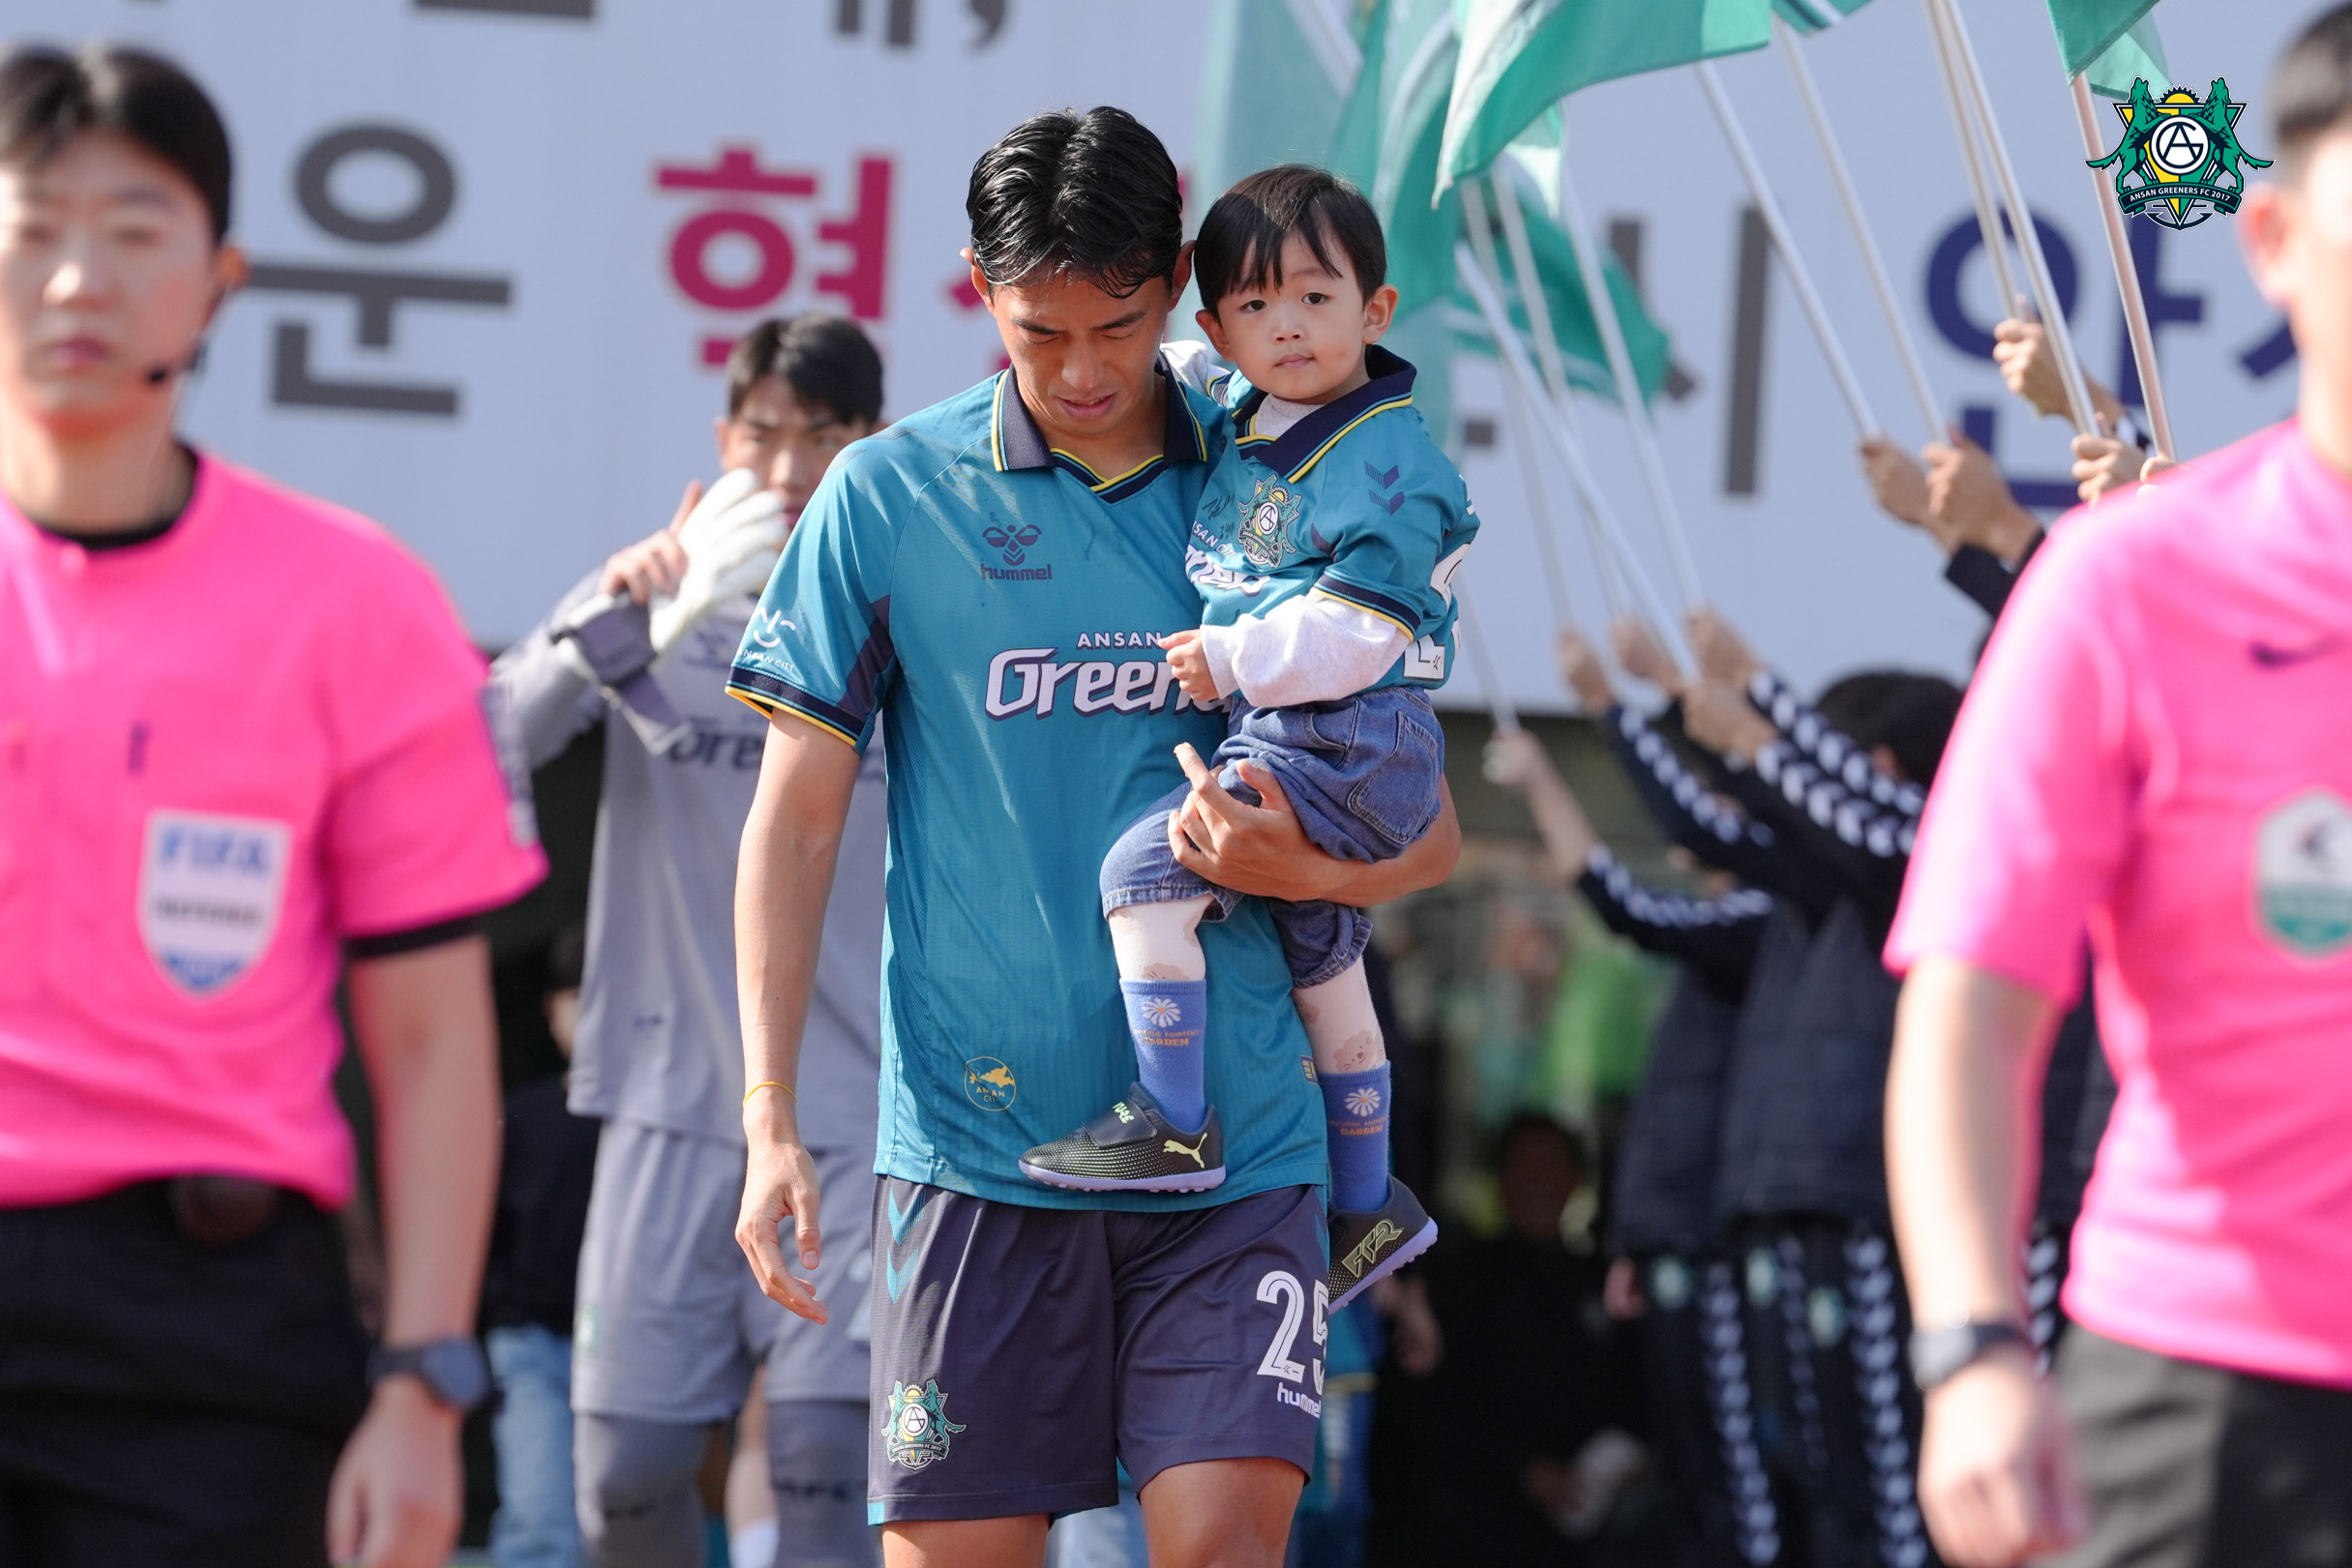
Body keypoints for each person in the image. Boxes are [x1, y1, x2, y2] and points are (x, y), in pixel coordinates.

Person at [727, 106, 1460, 1567]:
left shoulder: (1292, 470)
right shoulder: (887, 493)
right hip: (973, 1154)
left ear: (1180, 283)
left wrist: (1307, 872)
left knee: (1218, 1545)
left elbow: (1427, 830)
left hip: (1240, 1154)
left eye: (1117, 327)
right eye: (1037, 331)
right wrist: (767, 1116)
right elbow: (794, 821)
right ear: (978, 291)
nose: (1078, 370)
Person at [0, 43, 546, 1568]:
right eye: (35, 229)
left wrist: (425, 1383)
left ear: (217, 281)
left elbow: (430, 1043)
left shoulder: (350, 600)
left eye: (133, 230)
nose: (77, 280)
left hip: (208, 1344)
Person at [1885, 14, 2352, 1566]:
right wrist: (1969, 1349)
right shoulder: (2124, 584)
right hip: (2208, 1394)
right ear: (2274, 241)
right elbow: (1970, 1008)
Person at [1015, 163, 1468, 1308]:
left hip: (1342, 729)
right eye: (1255, 305)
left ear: (1376, 308)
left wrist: (1232, 657)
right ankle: (1368, 1204)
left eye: (1316, 297)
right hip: (1325, 736)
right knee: (1324, 957)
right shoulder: (1249, 404)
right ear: (1218, 326)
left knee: (1143, 871)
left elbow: (1361, 632)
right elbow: (1177, 365)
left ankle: (1172, 1121)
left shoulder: (1391, 461)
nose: (1288, 326)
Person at [490, 314, 887, 1568]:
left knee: (823, 1475)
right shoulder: (645, 599)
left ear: (869, 444)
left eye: (821, 437)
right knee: (625, 1480)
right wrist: (617, 615)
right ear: (723, 440)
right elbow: (486, 744)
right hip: (665, 1102)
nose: (786, 469)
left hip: (852, 1109)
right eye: (763, 434)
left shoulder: (907, 617)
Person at [483, 925, 604, 1568]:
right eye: (581, 998)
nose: (597, 1017)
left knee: (633, 1516)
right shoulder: (520, 1116)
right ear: (553, 1011)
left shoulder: (656, 1127)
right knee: (540, 1517)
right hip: (531, 1344)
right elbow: (482, 1233)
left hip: (632, 1346)